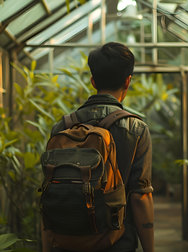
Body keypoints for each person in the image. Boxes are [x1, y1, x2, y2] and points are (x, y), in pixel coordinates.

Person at [43, 42, 154, 252]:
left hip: (67, 242)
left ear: (93, 81)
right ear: (127, 81)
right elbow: (141, 196)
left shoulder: (62, 127)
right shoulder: (136, 128)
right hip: (117, 242)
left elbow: (50, 191)